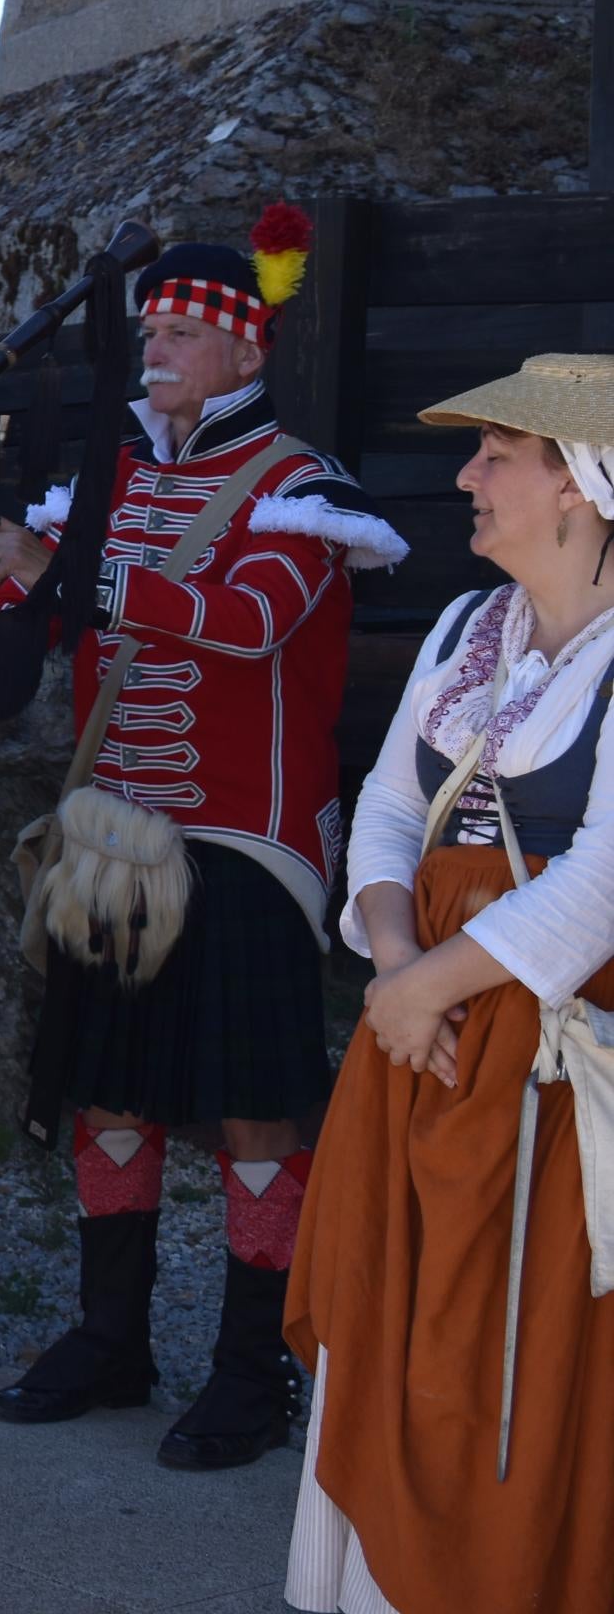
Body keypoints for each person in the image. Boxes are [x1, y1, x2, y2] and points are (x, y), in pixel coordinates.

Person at [0, 205, 401, 1474]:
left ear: (242, 344)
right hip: (117, 827)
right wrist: (10, 582)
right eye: (149, 324)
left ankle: (251, 1363)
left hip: (247, 840)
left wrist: (84, 572)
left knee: (253, 1112)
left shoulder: (301, 485)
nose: (155, 344)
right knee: (112, 1090)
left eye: (179, 328)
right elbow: (33, 633)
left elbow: (255, 618)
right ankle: (112, 1335)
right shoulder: (102, 484)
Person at [284, 356, 614, 1614]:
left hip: (548, 1061)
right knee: (397, 1312)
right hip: (418, 1035)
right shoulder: (462, 631)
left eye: (495, 453)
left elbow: (602, 880)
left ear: (579, 484)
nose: (466, 474)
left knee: (510, 1342)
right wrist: (398, 968)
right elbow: (382, 811)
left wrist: (428, 993)